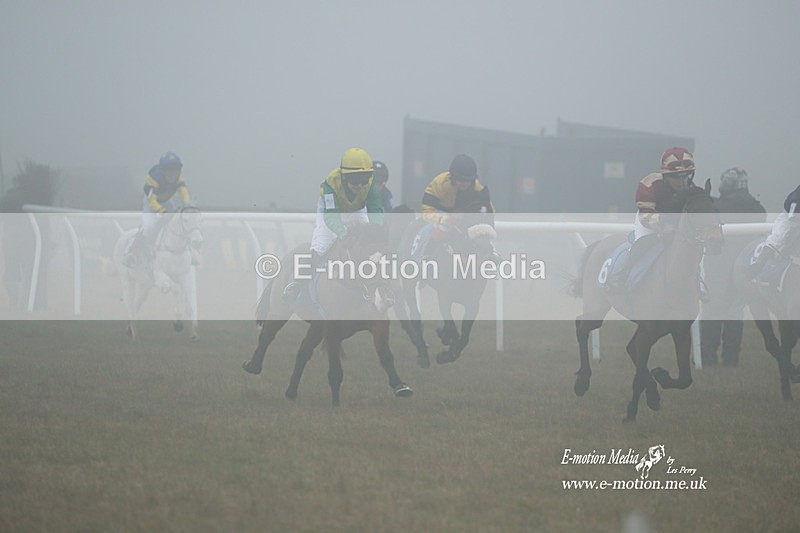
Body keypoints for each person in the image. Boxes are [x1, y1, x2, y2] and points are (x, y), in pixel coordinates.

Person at [283, 147, 384, 300]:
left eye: (364, 179)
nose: (360, 185)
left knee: (370, 245)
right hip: (331, 211)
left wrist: (375, 233)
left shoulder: (370, 185)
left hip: (357, 209)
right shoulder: (330, 184)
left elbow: (376, 211)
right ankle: (298, 285)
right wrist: (343, 234)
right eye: (355, 180)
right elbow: (331, 217)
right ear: (344, 177)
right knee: (322, 246)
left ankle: (379, 287)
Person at [700, 167, 766, 366]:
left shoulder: (717, 207)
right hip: (744, 267)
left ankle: (708, 357)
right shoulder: (757, 209)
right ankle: (731, 360)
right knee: (735, 311)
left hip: (717, 265)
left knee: (712, 310)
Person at [607, 147, 696, 291]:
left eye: (685, 176)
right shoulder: (649, 185)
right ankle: (622, 275)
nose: (682, 181)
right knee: (644, 244)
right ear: (666, 175)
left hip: (676, 224)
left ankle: (696, 281)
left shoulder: (691, 188)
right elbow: (646, 216)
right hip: (649, 221)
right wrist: (665, 223)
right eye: (676, 176)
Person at [123, 151, 192, 268]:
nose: (173, 175)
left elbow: (183, 191)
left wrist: (187, 203)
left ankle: (189, 253)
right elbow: (152, 201)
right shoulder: (154, 178)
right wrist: (161, 211)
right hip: (151, 202)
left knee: (179, 223)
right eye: (169, 171)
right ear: (163, 171)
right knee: (148, 227)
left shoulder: (179, 176)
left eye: (175, 170)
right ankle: (130, 252)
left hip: (166, 200)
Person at [419, 154, 495, 256]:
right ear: (453, 177)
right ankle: (427, 255)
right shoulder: (439, 184)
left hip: (460, 216)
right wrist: (445, 219)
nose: (465, 184)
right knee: (444, 228)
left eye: (468, 180)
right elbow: (426, 212)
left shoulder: (477, 187)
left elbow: (489, 210)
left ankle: (492, 253)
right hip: (440, 213)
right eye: (461, 180)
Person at [748, 183, 800, 279]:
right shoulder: (798, 194)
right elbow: (794, 217)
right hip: (791, 218)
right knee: (778, 238)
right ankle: (760, 264)